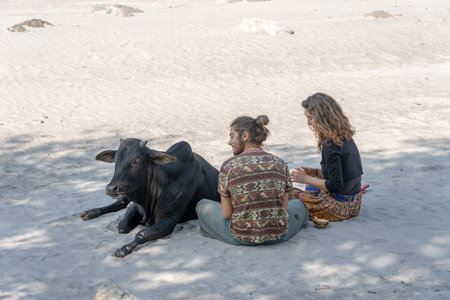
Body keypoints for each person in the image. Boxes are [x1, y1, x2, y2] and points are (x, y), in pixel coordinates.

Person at [196, 115, 308, 245]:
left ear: (245, 136)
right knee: (300, 205)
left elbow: (227, 214)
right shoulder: (280, 163)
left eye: (232, 136)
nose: (229, 142)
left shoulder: (228, 166)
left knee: (202, 205)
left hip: (240, 236)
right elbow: (283, 208)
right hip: (279, 234)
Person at [290, 92, 363, 221]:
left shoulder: (330, 144)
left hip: (338, 207)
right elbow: (343, 174)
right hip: (355, 202)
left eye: (311, 118)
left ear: (322, 117)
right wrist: (316, 172)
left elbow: (335, 186)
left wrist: (305, 178)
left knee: (288, 193)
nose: (308, 123)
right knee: (312, 185)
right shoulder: (345, 135)